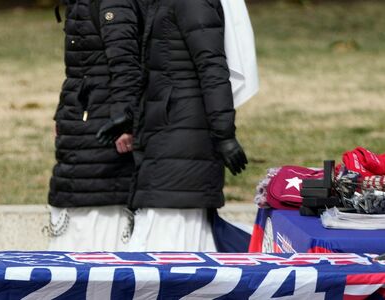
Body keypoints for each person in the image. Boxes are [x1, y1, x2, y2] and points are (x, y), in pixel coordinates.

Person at [99, 0, 248, 251]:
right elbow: (161, 72)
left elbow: (212, 69)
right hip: (167, 132)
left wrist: (225, 134)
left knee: (172, 240)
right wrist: (131, 116)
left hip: (183, 138)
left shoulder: (192, 2)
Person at [45, 0, 144, 252]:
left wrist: (127, 122)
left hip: (104, 124)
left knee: (99, 201)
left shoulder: (112, 3)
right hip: (81, 120)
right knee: (77, 195)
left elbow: (126, 65)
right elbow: (78, 71)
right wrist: (63, 114)